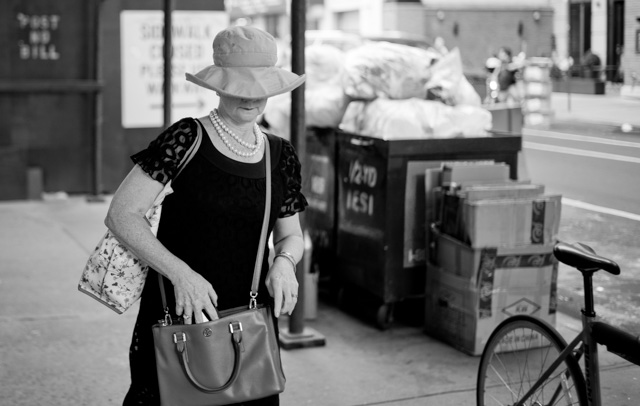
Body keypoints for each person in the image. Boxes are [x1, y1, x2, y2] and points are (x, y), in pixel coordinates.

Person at [106, 25, 307, 405]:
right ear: (217, 85)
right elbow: (122, 215)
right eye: (239, 86)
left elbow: (290, 235)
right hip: (179, 309)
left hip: (249, 315)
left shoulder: (280, 154)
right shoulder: (186, 139)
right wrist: (182, 275)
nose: (251, 98)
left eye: (260, 86)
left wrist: (284, 263)